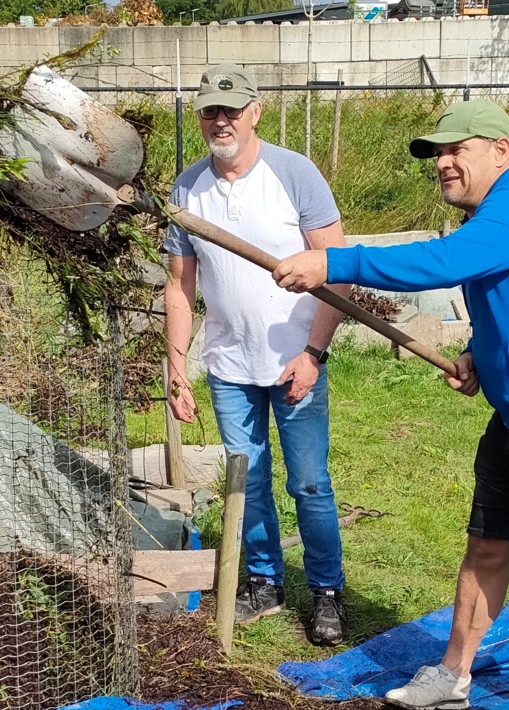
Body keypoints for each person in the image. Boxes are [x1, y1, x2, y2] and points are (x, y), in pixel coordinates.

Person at [271, 99, 509, 710]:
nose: (442, 163)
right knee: (486, 546)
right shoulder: (495, 218)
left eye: (454, 149)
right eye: (436, 154)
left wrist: (333, 263)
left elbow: (442, 266)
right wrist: (481, 360)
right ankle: (453, 675)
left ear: (502, 149)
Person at [162, 65, 353, 646]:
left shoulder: (295, 174)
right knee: (246, 480)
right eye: (210, 112)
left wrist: (314, 353)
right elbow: (178, 286)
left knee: (309, 483)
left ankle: (326, 590)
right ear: (199, 118)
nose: (221, 121)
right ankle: (266, 582)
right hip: (228, 366)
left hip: (295, 361)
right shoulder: (186, 190)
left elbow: (336, 270)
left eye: (231, 110)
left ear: (255, 112)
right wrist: (177, 365)